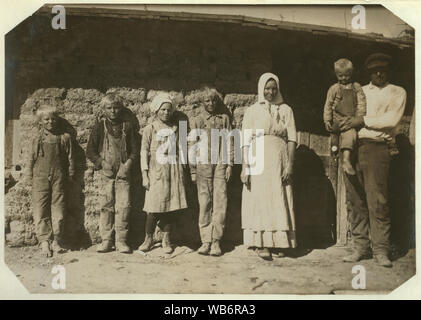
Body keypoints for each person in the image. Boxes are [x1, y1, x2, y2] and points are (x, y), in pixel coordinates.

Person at [341, 53, 407, 267]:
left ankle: (380, 249)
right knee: (356, 200)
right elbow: (347, 116)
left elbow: (390, 120)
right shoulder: (359, 90)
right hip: (354, 147)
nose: (379, 73)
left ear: (388, 71)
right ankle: (360, 247)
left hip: (378, 149)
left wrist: (363, 120)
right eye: (374, 70)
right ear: (368, 72)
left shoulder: (397, 92)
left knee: (378, 200)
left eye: (383, 69)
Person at [241, 72, 297, 261]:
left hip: (279, 159)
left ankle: (279, 242)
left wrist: (289, 165)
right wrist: (245, 167)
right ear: (261, 89)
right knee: (261, 199)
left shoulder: (286, 110)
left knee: (278, 197)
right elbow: (245, 140)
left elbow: (291, 139)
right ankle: (261, 243)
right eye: (267, 88)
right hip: (258, 159)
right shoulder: (252, 111)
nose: (271, 92)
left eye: (274, 88)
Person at [86, 93, 138, 254]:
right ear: (104, 110)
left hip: (123, 172)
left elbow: (135, 150)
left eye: (116, 108)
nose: (113, 111)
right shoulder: (99, 127)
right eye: (109, 108)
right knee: (106, 206)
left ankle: (121, 241)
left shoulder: (127, 126)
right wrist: (102, 163)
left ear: (120, 108)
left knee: (124, 206)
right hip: (106, 172)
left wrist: (128, 164)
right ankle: (106, 240)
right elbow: (90, 151)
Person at [138, 93, 188, 254]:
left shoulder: (175, 128)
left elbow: (181, 149)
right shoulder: (150, 129)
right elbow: (143, 151)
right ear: (156, 111)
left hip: (173, 171)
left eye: (169, 110)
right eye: (163, 110)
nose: (166, 113)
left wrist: (183, 171)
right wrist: (145, 174)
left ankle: (167, 239)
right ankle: (148, 238)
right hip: (156, 171)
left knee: (170, 207)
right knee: (153, 208)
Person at [189, 88, 234, 256]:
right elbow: (191, 145)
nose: (210, 104)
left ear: (218, 102)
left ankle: (216, 241)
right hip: (203, 165)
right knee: (204, 202)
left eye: (213, 100)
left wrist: (229, 164)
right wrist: (193, 169)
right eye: (207, 101)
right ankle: (205, 241)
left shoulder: (224, 119)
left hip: (220, 164)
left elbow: (230, 141)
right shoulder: (197, 120)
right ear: (202, 103)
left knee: (220, 202)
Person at [26, 105, 75, 257]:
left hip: (58, 177)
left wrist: (71, 174)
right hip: (40, 177)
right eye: (46, 119)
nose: (50, 122)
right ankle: (44, 241)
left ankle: (57, 240)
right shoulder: (37, 139)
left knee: (58, 210)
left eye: (53, 119)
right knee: (40, 209)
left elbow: (70, 158)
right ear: (41, 121)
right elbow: (31, 159)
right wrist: (28, 175)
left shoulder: (64, 137)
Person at [323, 58, 366, 175]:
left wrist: (358, 118)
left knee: (350, 134)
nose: (344, 78)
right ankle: (335, 152)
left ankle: (346, 160)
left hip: (350, 120)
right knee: (334, 136)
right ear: (336, 74)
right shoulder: (334, 89)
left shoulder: (356, 87)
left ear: (351, 74)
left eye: (347, 75)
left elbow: (361, 103)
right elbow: (328, 104)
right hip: (337, 119)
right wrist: (327, 120)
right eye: (340, 76)